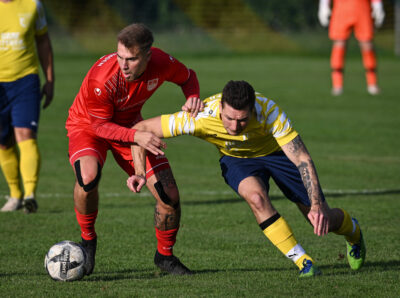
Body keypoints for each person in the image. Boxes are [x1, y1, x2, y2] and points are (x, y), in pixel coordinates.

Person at [128, 80, 366, 277]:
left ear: (253, 109)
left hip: (277, 155)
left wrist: (315, 205)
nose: (235, 125)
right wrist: (139, 172)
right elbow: (140, 129)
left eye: (242, 120)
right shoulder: (200, 116)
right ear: (220, 107)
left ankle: (353, 232)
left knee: (321, 218)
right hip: (237, 159)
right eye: (229, 118)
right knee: (256, 198)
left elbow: (302, 158)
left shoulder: (270, 112)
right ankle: (304, 262)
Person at [65, 23, 204, 276]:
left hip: (131, 127)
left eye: (131, 59)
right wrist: (137, 136)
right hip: (88, 126)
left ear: (148, 56)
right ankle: (88, 241)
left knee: (169, 194)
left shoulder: (161, 62)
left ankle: (165, 256)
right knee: (87, 178)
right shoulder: (103, 78)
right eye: (120, 57)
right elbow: (100, 126)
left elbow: (188, 77)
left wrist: (192, 95)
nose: (123, 64)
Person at [0, 0, 54, 213]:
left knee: (25, 133)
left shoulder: (33, 5)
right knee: (3, 142)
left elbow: (43, 42)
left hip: (25, 80)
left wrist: (50, 80)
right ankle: (15, 195)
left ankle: (30, 194)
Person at [318, 0, 385, 95]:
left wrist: (377, 4)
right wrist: (324, 4)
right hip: (341, 9)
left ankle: (372, 84)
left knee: (367, 45)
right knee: (339, 44)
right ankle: (337, 85)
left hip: (362, 9)